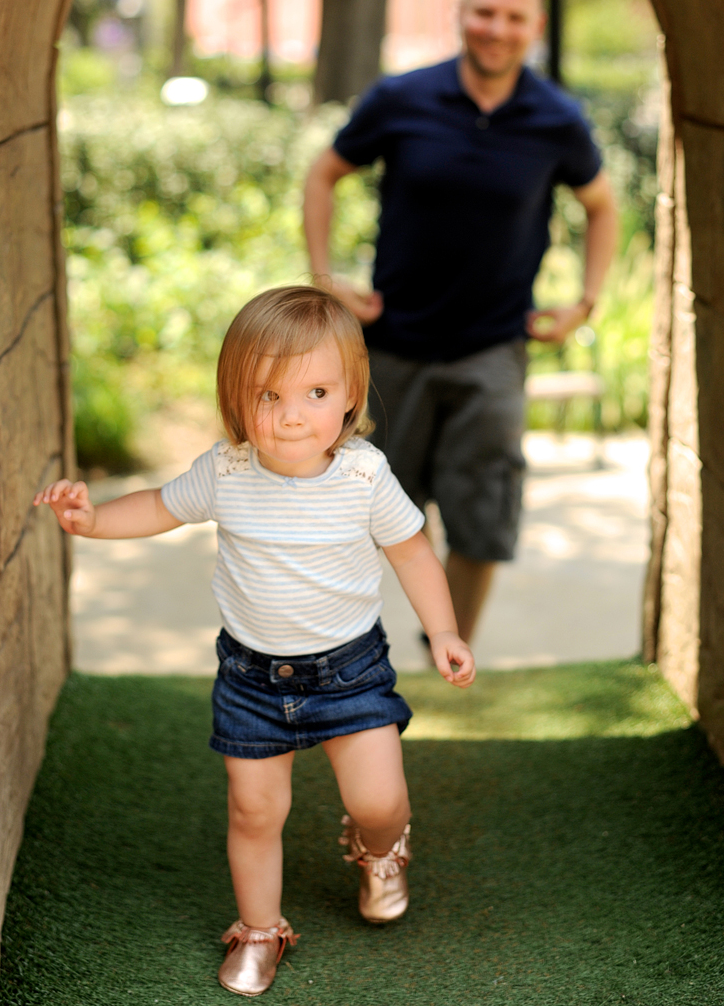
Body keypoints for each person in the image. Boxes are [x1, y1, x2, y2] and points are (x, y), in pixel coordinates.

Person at [34, 285, 475, 998]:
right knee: (254, 810)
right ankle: (261, 929)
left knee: (379, 798)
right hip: (251, 679)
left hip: (349, 673)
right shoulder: (226, 473)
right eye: (267, 396)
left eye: (316, 391)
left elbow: (415, 553)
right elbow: (156, 506)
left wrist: (446, 629)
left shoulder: (364, 476)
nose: (292, 415)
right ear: (236, 400)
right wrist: (90, 520)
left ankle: (380, 848)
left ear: (350, 396)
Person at [303, 0, 619, 645]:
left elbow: (601, 205)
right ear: (462, 14)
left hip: (493, 350)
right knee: (367, 515)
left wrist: (584, 302)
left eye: (513, 17)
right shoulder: (401, 99)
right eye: (484, 12)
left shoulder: (555, 118)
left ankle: (450, 653)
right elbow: (324, 174)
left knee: (482, 518)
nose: (496, 29)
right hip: (393, 349)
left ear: (533, 26)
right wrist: (326, 280)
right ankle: (342, 652)